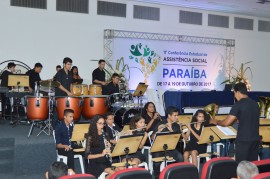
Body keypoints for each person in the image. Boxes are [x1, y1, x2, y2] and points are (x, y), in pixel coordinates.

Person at [211, 82, 260, 163]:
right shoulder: (255, 104)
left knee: (241, 166)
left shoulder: (238, 104)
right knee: (252, 166)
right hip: (255, 139)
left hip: (243, 140)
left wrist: (216, 121)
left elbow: (226, 123)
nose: (234, 96)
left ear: (236, 92)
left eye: (234, 93)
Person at [151, 106, 184, 178]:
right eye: (175, 115)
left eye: (177, 115)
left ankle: (178, 175)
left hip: (170, 149)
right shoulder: (160, 123)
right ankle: (157, 176)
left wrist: (171, 129)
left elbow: (178, 139)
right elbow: (152, 138)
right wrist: (158, 131)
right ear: (169, 115)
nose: (177, 117)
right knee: (156, 163)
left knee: (180, 157)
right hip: (158, 149)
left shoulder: (176, 125)